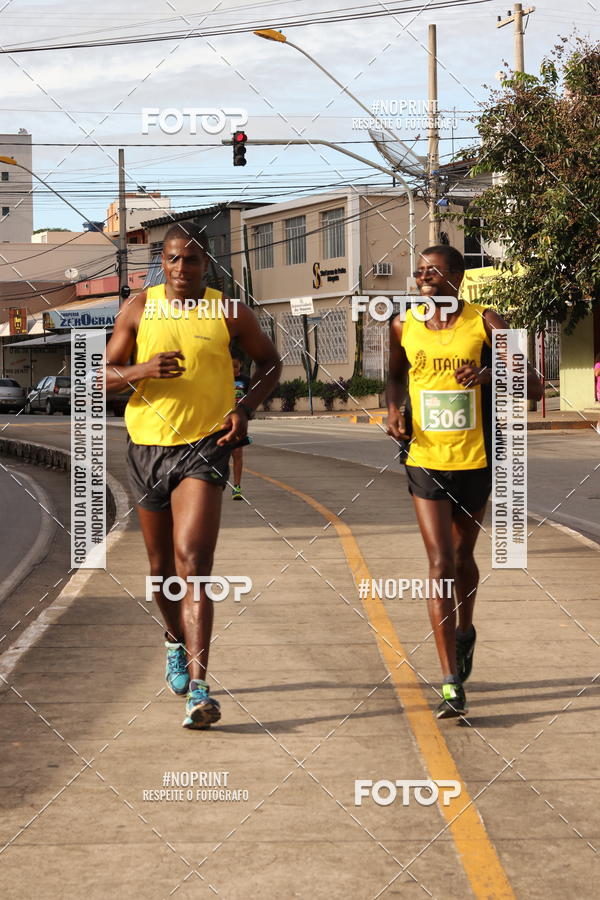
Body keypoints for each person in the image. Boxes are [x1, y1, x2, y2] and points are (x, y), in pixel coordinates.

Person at [104, 223, 281, 729]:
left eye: (193, 260)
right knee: (162, 572)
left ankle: (200, 690)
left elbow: (271, 365)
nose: (183, 269)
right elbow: (102, 377)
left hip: (205, 447)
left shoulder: (229, 311)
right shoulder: (139, 308)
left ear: (208, 265)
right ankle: (173, 639)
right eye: (174, 259)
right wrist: (143, 371)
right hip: (146, 450)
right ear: (162, 262)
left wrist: (245, 408)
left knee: (194, 562)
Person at [387, 245, 543, 718]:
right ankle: (450, 680)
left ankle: (465, 630)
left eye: (432, 272)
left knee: (461, 557)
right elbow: (393, 379)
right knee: (438, 562)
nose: (423, 280)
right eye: (418, 274)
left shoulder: (486, 322)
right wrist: (393, 411)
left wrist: (489, 372)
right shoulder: (401, 325)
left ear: (456, 276)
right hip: (424, 457)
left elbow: (534, 385)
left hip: (475, 458)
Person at [231, 348, 251, 501]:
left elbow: (251, 400)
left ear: (241, 365)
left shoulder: (245, 380)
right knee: (220, 455)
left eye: (235, 366)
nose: (233, 370)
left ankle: (236, 486)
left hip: (238, 422)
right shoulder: (219, 379)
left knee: (237, 453)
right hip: (222, 422)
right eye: (230, 366)